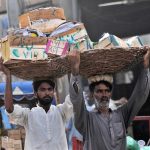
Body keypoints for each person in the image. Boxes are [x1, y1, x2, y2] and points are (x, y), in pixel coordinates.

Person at [68, 49, 150, 150]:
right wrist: (75, 72)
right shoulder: (87, 120)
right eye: (99, 91)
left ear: (110, 93)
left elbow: (140, 96)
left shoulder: (121, 115)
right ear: (92, 95)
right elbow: (76, 100)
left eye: (107, 91)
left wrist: (145, 68)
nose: (104, 95)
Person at [0, 58, 73, 150]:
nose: (47, 93)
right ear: (35, 93)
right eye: (42, 89)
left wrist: (73, 72)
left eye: (49, 89)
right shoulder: (28, 115)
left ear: (53, 91)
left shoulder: (61, 112)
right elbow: (9, 109)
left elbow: (73, 98)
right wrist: (8, 76)